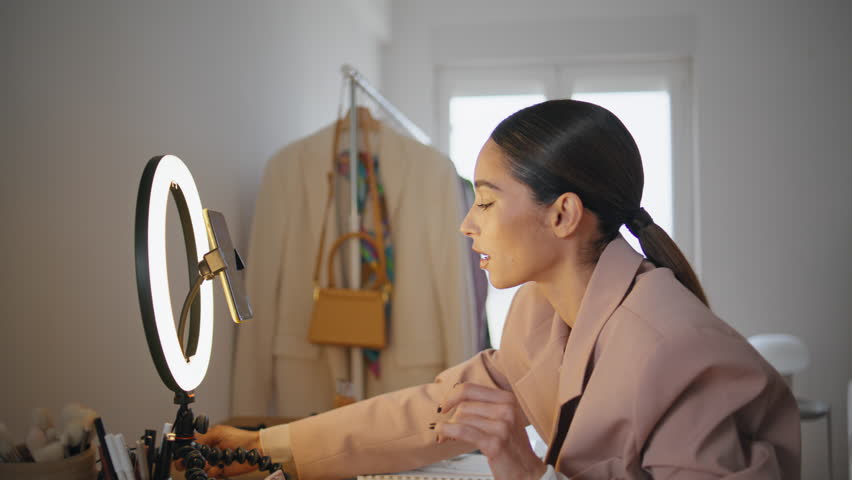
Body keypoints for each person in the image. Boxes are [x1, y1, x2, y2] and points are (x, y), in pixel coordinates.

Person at [195, 100, 801, 479]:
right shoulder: (539, 311)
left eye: (485, 201)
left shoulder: (674, 350)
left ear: (562, 215)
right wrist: (268, 448)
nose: (467, 223)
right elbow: (433, 409)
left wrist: (528, 475)